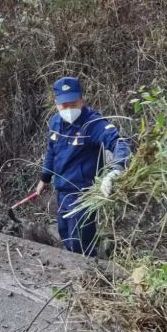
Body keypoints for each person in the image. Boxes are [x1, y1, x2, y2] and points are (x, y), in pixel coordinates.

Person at [35, 77, 131, 256]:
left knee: (80, 242)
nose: (69, 110)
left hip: (83, 195)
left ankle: (89, 269)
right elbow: (51, 151)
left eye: (73, 104)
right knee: (65, 234)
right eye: (64, 106)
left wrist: (116, 170)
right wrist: (44, 178)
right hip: (62, 191)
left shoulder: (94, 124)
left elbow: (120, 143)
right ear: (56, 104)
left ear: (82, 100)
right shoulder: (55, 122)